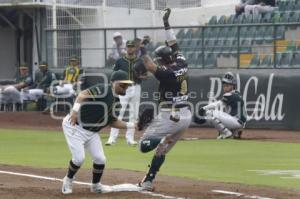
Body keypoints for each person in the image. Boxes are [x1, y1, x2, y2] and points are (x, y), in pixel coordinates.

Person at [137, 8, 192, 191]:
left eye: (159, 59)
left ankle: (154, 129)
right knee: (161, 149)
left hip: (171, 116)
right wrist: (166, 23)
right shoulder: (182, 63)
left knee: (143, 146)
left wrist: (142, 47)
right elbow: (174, 43)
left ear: (162, 60)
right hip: (185, 117)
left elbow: (149, 65)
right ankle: (148, 181)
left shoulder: (167, 73)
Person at [61, 70, 137, 194]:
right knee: (79, 159)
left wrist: (133, 125)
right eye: (122, 84)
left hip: (91, 133)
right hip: (75, 126)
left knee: (100, 159)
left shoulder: (117, 102)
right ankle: (68, 180)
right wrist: (74, 111)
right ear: (113, 82)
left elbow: (112, 122)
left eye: (127, 84)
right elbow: (82, 95)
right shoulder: (104, 89)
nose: (125, 86)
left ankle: (96, 186)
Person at [105, 40, 148, 146]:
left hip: (136, 86)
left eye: (132, 46)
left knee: (134, 113)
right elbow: (114, 74)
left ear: (135, 48)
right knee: (118, 112)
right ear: (126, 48)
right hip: (122, 88)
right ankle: (112, 139)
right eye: (128, 46)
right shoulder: (120, 61)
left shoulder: (139, 61)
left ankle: (130, 139)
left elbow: (146, 76)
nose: (130, 48)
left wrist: (139, 76)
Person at [199, 72, 247, 139]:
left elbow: (218, 104)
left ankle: (227, 133)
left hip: (236, 122)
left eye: (227, 85)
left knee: (209, 113)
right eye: (224, 85)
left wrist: (204, 108)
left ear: (233, 85)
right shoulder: (237, 93)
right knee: (222, 114)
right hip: (240, 123)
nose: (225, 87)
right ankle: (235, 132)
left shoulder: (229, 95)